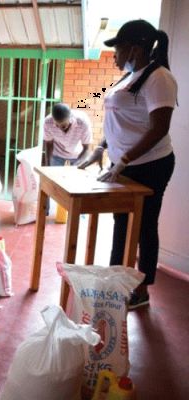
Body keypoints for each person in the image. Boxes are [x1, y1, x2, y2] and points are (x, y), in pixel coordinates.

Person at [78, 20, 176, 309]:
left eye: (117, 49)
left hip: (150, 166)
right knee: (122, 223)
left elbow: (158, 128)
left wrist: (124, 161)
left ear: (134, 48)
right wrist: (101, 149)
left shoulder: (159, 78)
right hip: (125, 164)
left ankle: (141, 290)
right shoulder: (131, 77)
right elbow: (123, 123)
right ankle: (114, 282)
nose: (114, 55)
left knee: (144, 226)